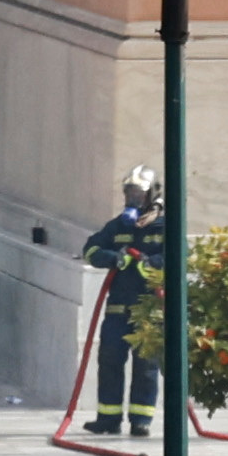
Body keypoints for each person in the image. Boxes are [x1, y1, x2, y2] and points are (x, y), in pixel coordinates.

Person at [81, 168, 163, 437]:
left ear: (151, 195)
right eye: (129, 193)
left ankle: (141, 420)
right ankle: (108, 418)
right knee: (110, 361)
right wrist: (113, 258)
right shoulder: (118, 226)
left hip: (148, 310)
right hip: (117, 310)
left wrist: (149, 264)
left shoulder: (164, 227)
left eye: (138, 193)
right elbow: (91, 249)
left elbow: (178, 257)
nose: (132, 199)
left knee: (146, 366)